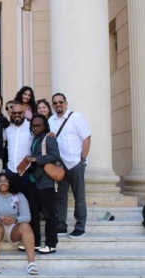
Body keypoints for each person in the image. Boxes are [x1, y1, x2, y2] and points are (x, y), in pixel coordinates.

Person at [48, 93, 91, 239]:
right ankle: (61, 224)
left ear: (66, 103)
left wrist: (82, 159)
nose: (58, 105)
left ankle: (80, 226)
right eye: (55, 103)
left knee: (79, 196)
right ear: (53, 105)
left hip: (75, 163)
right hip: (60, 165)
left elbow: (86, 137)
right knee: (60, 196)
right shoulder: (51, 120)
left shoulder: (76, 117)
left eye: (61, 102)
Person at [0, 173, 38, 275]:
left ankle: (31, 263)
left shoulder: (19, 196)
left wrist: (15, 220)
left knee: (26, 226)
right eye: (0, 181)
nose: (3, 183)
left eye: (6, 181)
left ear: (10, 182)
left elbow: (27, 217)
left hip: (13, 229)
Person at [25, 114, 59, 254]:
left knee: (49, 214)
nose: (35, 128)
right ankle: (36, 243)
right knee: (33, 213)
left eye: (39, 125)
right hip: (34, 181)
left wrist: (35, 159)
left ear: (45, 126)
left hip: (46, 181)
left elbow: (55, 155)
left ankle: (51, 244)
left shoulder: (49, 139)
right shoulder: (36, 138)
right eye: (33, 125)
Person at [5, 104, 33, 195]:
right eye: (14, 113)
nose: (17, 115)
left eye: (19, 112)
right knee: (11, 196)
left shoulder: (31, 127)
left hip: (26, 168)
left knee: (25, 196)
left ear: (24, 113)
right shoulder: (8, 129)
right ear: (11, 114)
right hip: (11, 168)